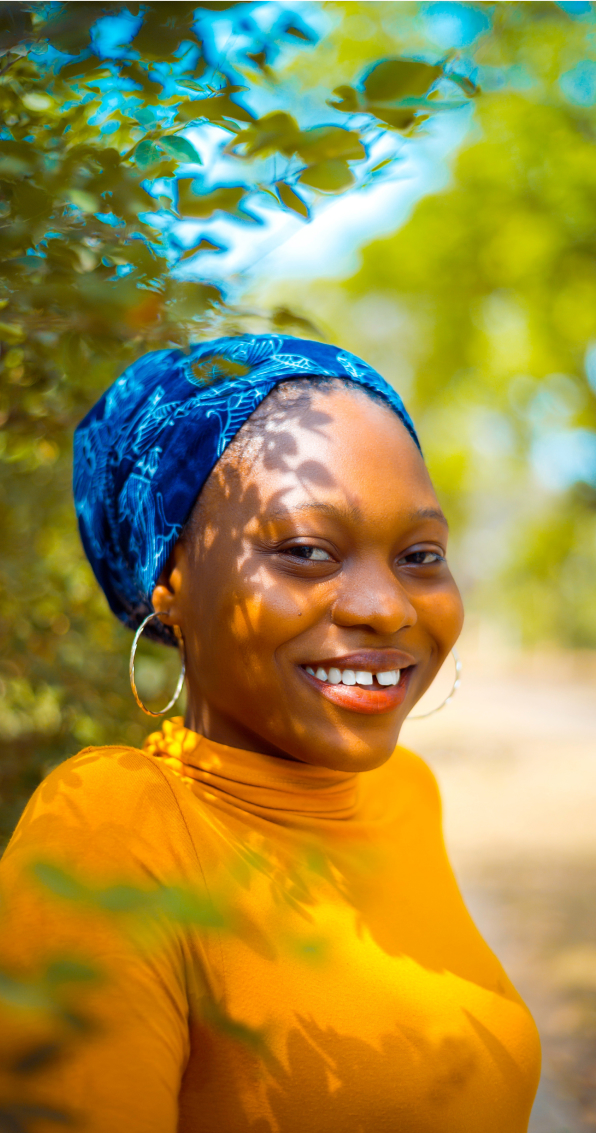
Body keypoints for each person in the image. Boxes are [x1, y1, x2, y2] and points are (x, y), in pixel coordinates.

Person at [0, 335, 540, 1132]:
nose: (386, 608)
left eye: (420, 554)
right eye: (308, 551)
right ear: (171, 582)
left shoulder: (402, 793)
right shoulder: (113, 829)